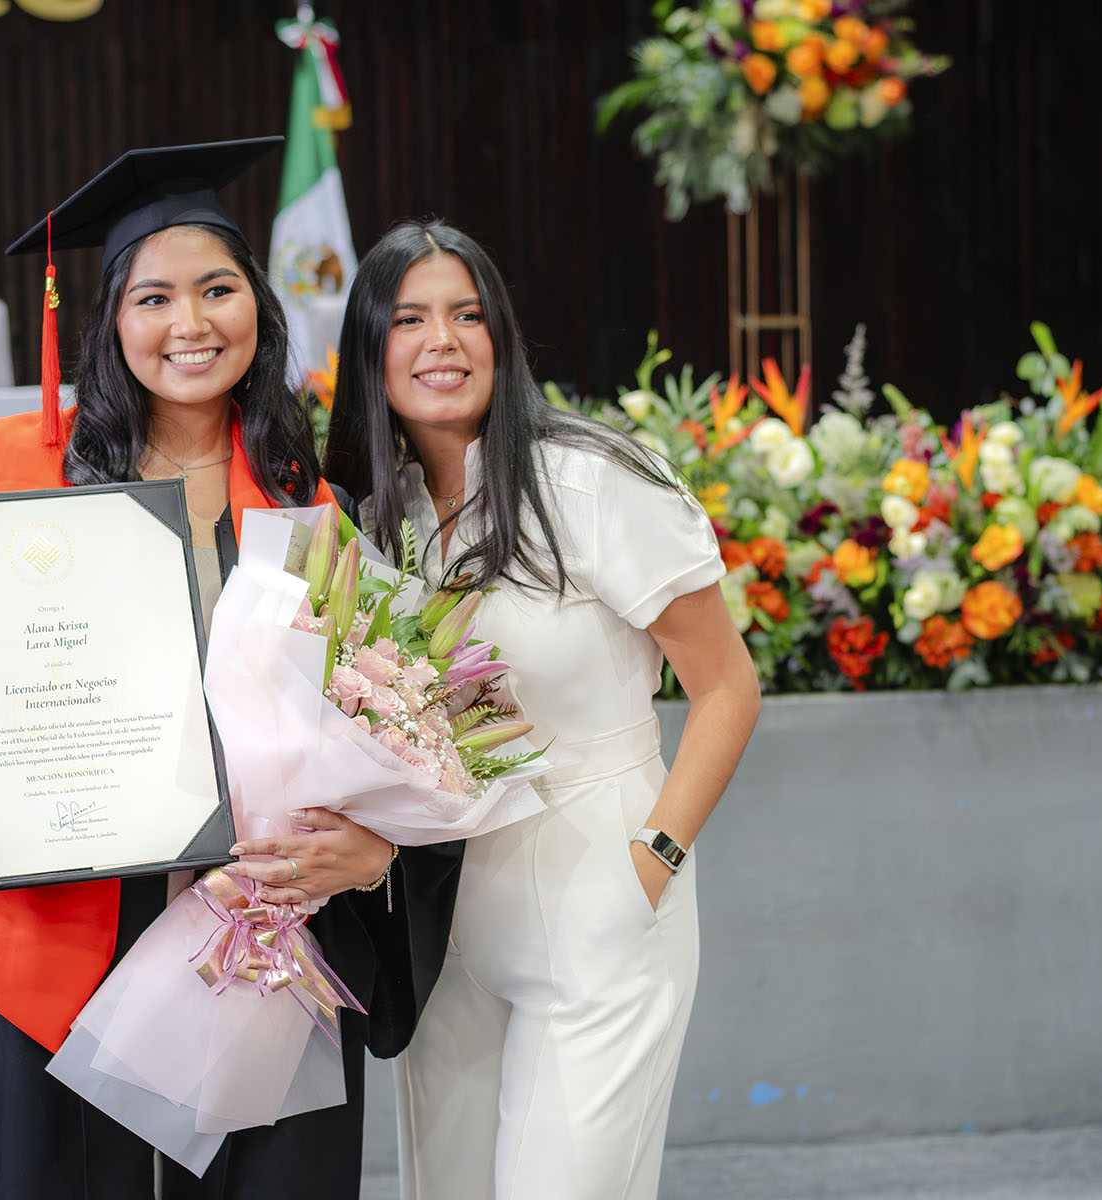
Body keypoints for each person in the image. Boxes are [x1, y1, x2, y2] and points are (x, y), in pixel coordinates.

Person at [0, 141, 462, 1200]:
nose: (191, 324)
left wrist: (369, 849)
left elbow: (390, 726)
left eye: (219, 290)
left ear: (259, 310)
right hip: (56, 927)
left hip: (252, 939)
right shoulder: (7, 465)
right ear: (108, 321)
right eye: (155, 297)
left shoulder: (310, 505)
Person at [322, 220, 762, 1200]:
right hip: (441, 901)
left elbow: (728, 688)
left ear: (503, 336)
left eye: (468, 314)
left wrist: (650, 864)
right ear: (370, 349)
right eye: (410, 319)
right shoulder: (370, 511)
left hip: (594, 872)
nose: (444, 339)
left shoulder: (592, 482)